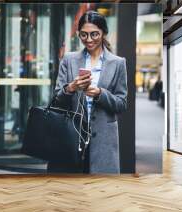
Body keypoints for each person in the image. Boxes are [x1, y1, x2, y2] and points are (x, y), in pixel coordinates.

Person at [48, 10, 128, 174]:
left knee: (101, 190)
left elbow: (122, 104)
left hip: (103, 137)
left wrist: (99, 93)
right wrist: (71, 88)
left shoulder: (118, 63)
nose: (89, 40)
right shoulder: (69, 60)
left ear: (104, 32)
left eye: (94, 34)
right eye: (83, 35)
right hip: (71, 134)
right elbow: (56, 100)